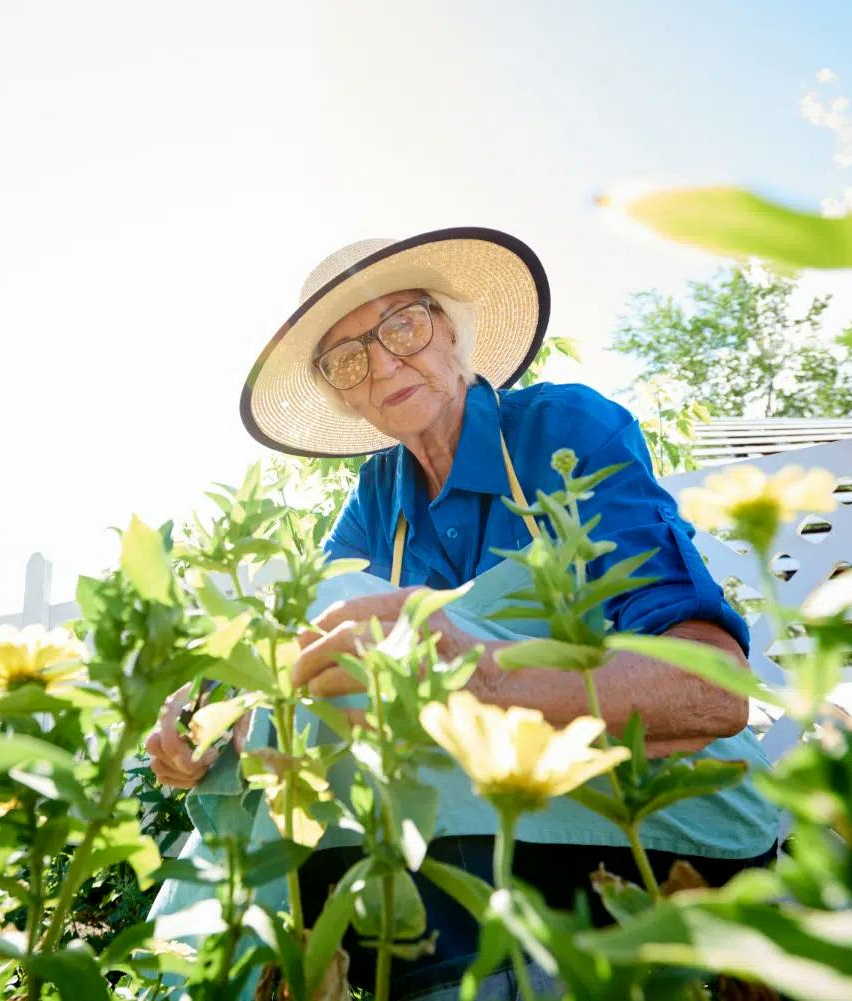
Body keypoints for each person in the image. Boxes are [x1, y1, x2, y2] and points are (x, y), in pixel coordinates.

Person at [146, 228, 779, 999]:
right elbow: (302, 651)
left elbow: (716, 690)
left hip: (656, 813)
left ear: (454, 329)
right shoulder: (381, 498)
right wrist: (211, 715)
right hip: (487, 829)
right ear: (344, 396)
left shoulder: (566, 430)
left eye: (402, 324)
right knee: (317, 652)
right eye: (348, 359)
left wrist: (479, 676)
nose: (381, 362)